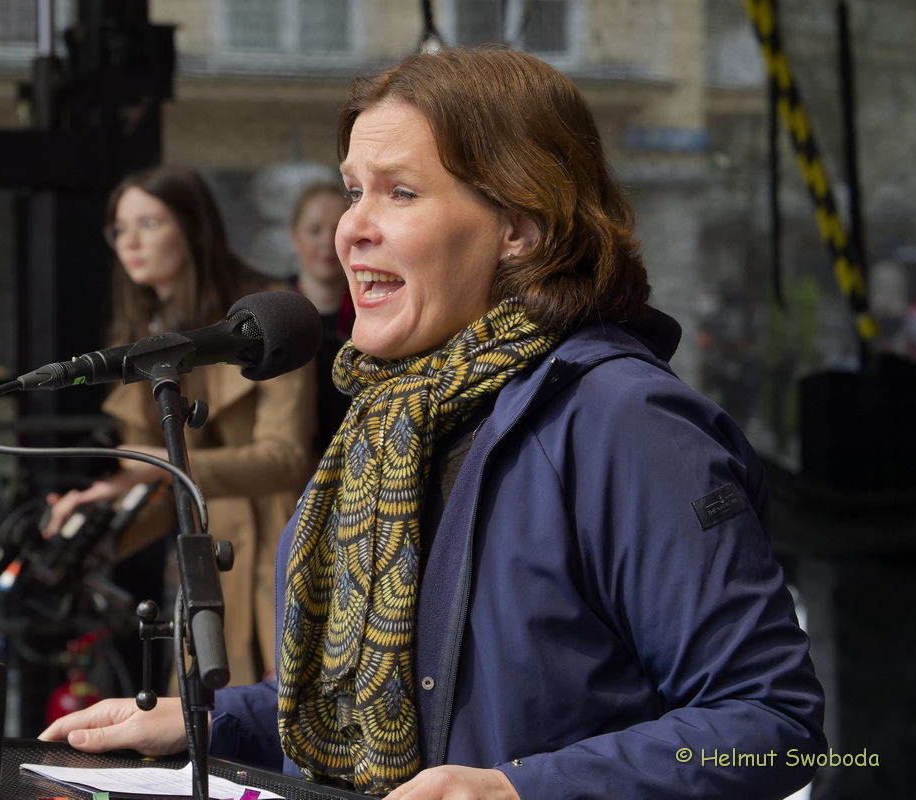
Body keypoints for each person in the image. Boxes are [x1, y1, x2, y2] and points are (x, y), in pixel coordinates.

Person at [40, 50, 825, 800]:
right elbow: (384, 705)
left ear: (520, 224)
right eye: (353, 191)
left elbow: (773, 724)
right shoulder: (385, 418)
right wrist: (216, 722)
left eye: (401, 193)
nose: (352, 228)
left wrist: (522, 788)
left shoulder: (626, 421)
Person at [43, 164, 317, 687]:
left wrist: (154, 469)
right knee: (200, 714)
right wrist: (92, 525)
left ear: (192, 227)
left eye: (149, 223)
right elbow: (153, 486)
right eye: (120, 229)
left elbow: (285, 460)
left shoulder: (262, 319)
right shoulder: (140, 330)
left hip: (283, 547)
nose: (130, 243)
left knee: (280, 710)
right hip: (207, 558)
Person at [288, 181, 355, 452]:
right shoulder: (276, 314)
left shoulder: (373, 312)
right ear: (294, 237)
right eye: (314, 230)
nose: (327, 242)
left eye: (337, 229)